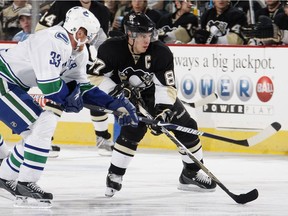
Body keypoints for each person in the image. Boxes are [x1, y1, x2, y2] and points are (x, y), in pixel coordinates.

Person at [0, 6, 138, 207]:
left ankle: (6, 177)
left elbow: (84, 87)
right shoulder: (52, 40)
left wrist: (118, 105)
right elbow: (50, 87)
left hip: (12, 83)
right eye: (87, 34)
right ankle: (23, 181)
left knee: (37, 130)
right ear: (77, 30)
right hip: (3, 80)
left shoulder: (78, 52)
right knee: (42, 123)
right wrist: (69, 98)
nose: (89, 40)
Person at [89, 12, 217, 197]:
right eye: (141, 35)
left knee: (186, 126)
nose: (146, 40)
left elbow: (166, 85)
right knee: (133, 130)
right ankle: (115, 175)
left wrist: (162, 111)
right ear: (129, 34)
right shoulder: (111, 49)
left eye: (148, 35)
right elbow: (94, 76)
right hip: (124, 97)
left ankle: (191, 173)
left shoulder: (161, 52)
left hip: (154, 95)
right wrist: (116, 92)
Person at [35, 0, 115, 156]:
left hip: (88, 61)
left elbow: (102, 42)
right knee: (56, 96)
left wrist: (99, 59)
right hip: (61, 60)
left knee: (95, 94)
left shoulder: (103, 11)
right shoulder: (62, 4)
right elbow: (41, 30)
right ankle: (44, 139)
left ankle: (102, 138)